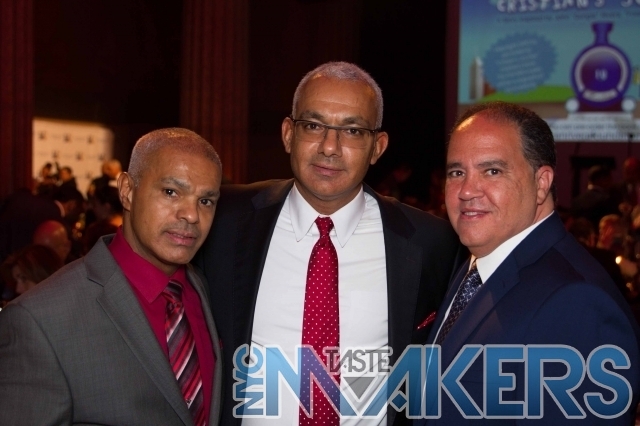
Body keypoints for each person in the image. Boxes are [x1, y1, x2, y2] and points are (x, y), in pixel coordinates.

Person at [193, 62, 465, 426]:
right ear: (288, 134)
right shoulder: (223, 220)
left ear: (377, 147)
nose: (330, 147)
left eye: (352, 130)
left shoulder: (431, 243)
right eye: (313, 125)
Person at [419, 102, 640, 424]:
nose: (466, 191)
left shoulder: (577, 301)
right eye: (457, 172)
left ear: (542, 183)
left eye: (492, 171)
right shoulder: (474, 265)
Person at [0, 128, 224, 426]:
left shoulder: (206, 291)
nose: (192, 215)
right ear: (127, 191)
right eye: (171, 192)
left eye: (206, 200)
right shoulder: (39, 321)